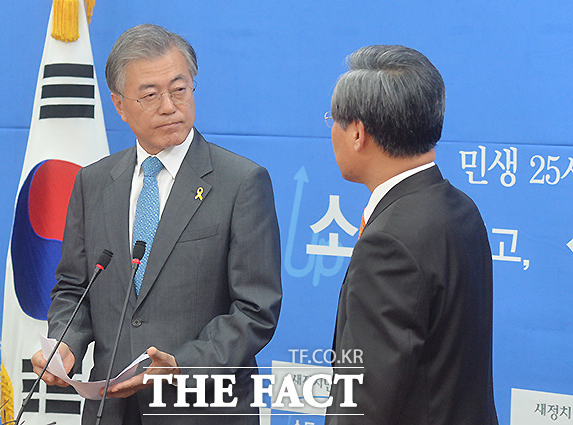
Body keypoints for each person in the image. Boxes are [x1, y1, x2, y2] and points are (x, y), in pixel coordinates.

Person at [30, 24, 282, 424]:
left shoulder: (241, 182)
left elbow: (255, 309)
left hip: (200, 410)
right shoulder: (93, 182)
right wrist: (66, 343)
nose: (169, 106)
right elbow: (75, 287)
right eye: (150, 95)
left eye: (179, 89)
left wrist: (181, 364)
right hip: (111, 409)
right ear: (119, 104)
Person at [324, 45, 498, 425]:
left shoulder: (388, 243)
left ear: (357, 133)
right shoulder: (461, 209)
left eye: (334, 121)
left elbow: (366, 402)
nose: (331, 131)